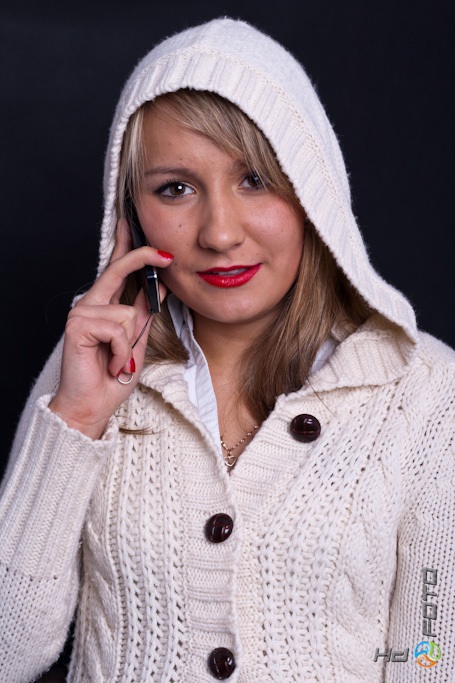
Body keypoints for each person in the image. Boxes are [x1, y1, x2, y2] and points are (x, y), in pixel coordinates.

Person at [0, 16, 453, 683]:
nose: (218, 232)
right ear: (130, 215)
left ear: (312, 191)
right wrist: (77, 420)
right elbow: (8, 651)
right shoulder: (84, 374)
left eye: (255, 180)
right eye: (175, 189)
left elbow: (431, 658)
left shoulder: (425, 392)